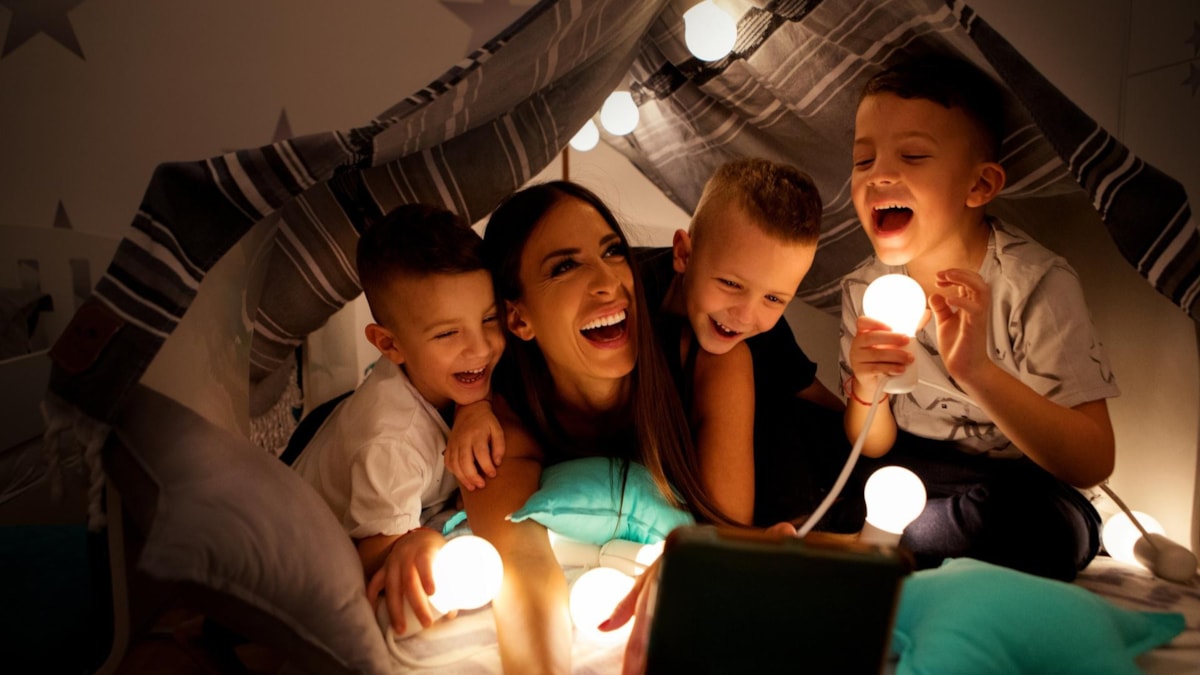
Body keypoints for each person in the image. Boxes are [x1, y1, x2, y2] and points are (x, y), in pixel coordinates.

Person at [840, 55, 1119, 581]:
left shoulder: (1035, 282)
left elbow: (1093, 461)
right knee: (840, 476)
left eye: (914, 155)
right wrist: (866, 385)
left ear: (979, 186)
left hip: (1019, 481)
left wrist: (977, 371)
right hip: (912, 468)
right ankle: (894, 531)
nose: (879, 177)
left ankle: (886, 538)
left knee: (1044, 526)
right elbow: (870, 442)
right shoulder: (863, 288)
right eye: (863, 161)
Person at [461, 180, 744, 673]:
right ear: (518, 319)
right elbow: (522, 571)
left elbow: (732, 542)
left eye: (612, 251)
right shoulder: (503, 422)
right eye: (565, 266)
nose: (609, 282)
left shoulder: (714, 362)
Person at [291, 203, 505, 635]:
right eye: (448, 333)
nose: (480, 348)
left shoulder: (451, 377)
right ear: (389, 345)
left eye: (489, 319)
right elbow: (370, 557)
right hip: (299, 564)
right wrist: (414, 544)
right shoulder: (392, 443)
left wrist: (474, 406)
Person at [636, 157, 854, 528]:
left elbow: (814, 396)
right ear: (684, 254)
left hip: (770, 472)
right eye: (731, 284)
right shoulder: (630, 292)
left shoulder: (764, 334)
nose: (744, 314)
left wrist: (863, 405)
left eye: (774, 299)